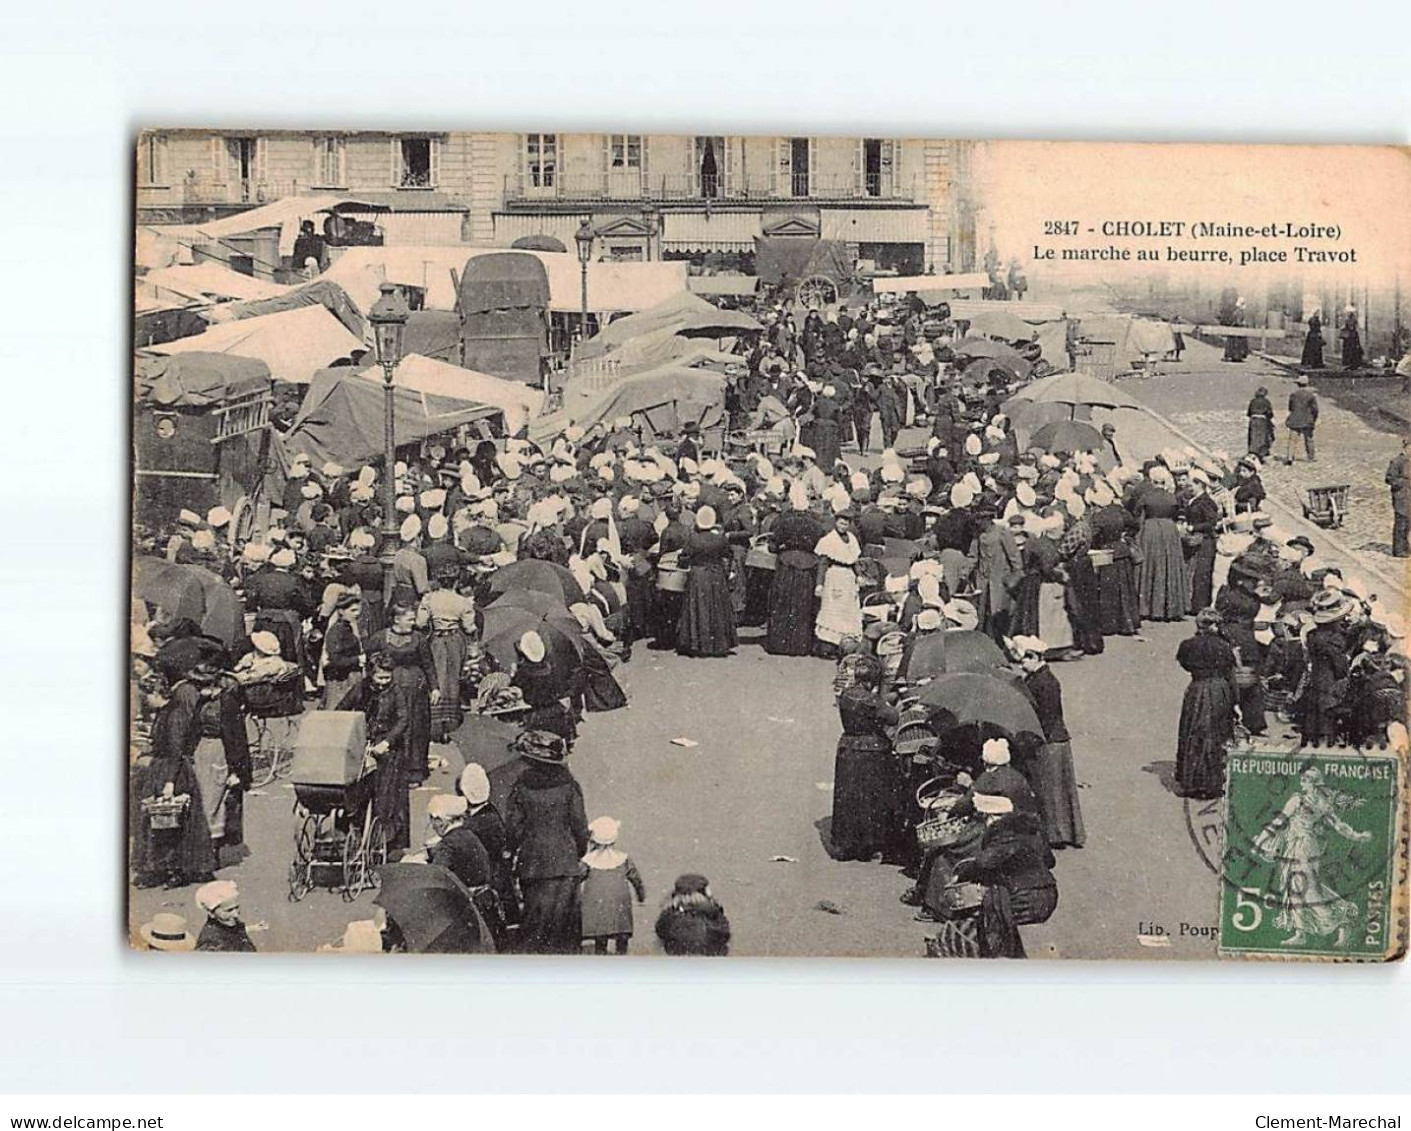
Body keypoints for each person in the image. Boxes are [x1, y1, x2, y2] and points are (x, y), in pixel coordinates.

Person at [1252, 767, 1372, 947]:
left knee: (1308, 890)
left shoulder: (1301, 801)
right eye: (1302, 779)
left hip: (1305, 848)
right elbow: (1339, 827)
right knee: (1297, 887)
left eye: (1305, 779)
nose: (1302, 782)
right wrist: (1357, 836)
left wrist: (1259, 841)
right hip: (1299, 846)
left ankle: (1343, 921)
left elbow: (1279, 822)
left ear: (1314, 783)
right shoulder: (1313, 803)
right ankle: (1302, 932)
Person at [132, 668, 218, 889]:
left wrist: (170, 782)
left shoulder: (175, 715)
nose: (146, 701)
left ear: (155, 694)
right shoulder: (166, 712)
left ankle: (176, 868)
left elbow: (176, 751)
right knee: (159, 821)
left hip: (173, 772)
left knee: (172, 823)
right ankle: (161, 867)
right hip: (162, 769)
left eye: (147, 696)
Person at [506, 729, 588, 954]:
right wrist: (578, 853)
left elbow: (514, 828)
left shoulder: (521, 786)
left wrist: (512, 851)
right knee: (566, 929)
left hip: (533, 862)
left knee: (535, 925)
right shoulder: (569, 785)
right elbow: (580, 825)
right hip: (565, 861)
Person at [951, 793, 1058, 959]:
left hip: (1025, 900)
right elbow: (1050, 861)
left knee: (990, 910)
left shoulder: (1003, 834)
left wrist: (961, 875)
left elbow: (984, 863)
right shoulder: (1032, 830)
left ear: (991, 817)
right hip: (1049, 893)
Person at [1014, 637, 1085, 848]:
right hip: (1055, 739)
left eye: (1025, 659)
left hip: (1050, 741)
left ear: (1035, 657)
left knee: (1051, 790)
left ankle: (1056, 834)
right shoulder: (1041, 678)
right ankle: (1064, 832)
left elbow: (1047, 716)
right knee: (1059, 789)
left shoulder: (1045, 683)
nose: (1021, 664)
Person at [830, 655, 902, 862]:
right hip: (872, 751)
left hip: (848, 747)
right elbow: (892, 717)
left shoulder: (846, 695)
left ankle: (846, 842)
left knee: (848, 797)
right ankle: (868, 844)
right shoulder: (872, 700)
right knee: (871, 799)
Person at [337, 652, 411, 852]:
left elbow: (403, 720)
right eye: (380, 677)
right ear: (371, 674)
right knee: (357, 788)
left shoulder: (396, 691)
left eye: (388, 677)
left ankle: (385, 841)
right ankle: (355, 830)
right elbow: (342, 708)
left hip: (388, 749)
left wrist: (387, 742)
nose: (385, 682)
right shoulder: (361, 687)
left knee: (386, 796)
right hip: (363, 744)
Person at [367, 604, 436, 785]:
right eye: (410, 619)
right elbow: (369, 661)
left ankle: (414, 771)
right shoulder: (380, 638)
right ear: (397, 619)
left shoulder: (419, 639)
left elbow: (428, 664)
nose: (413, 623)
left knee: (415, 727)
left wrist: (434, 687)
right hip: (388, 686)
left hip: (415, 689)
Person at [1174, 608, 1237, 800]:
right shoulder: (1225, 647)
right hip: (1219, 689)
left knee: (1194, 732)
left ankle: (1191, 781)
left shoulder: (1188, 645)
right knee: (1216, 733)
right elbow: (1231, 669)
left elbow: (1184, 664)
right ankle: (1212, 782)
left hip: (1197, 688)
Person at [416, 573, 477, 741]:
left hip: (437, 640)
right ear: (456, 581)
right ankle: (451, 723)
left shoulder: (429, 599)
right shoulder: (462, 601)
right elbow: (469, 627)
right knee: (454, 680)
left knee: (437, 678)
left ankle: (435, 723)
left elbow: (420, 623)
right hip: (456, 641)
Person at [765, 486, 824, 655]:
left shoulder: (782, 521)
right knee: (803, 606)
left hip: (786, 563)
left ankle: (780, 644)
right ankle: (800, 645)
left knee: (782, 603)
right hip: (807, 565)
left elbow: (773, 545)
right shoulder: (816, 524)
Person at [676, 506, 737, 657]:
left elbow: (684, 558)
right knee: (717, 608)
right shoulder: (719, 538)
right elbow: (728, 554)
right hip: (716, 575)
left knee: (698, 608)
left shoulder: (693, 538)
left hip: (698, 575)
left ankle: (698, 644)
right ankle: (718, 643)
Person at [580, 816, 646, 955]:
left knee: (600, 937)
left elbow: (576, 878)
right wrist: (641, 896)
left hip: (596, 906)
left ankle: (601, 957)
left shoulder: (588, 861)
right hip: (619, 905)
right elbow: (636, 880)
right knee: (621, 935)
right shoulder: (623, 859)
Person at [1299, 590, 1353, 747]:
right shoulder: (1335, 640)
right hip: (1330, 684)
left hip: (1316, 680)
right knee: (1327, 718)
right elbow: (1340, 668)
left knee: (1312, 716)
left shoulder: (1313, 635)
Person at [1135, 466, 1188, 622]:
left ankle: (1148, 607)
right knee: (1169, 565)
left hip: (1151, 530)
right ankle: (1170, 607)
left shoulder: (1146, 497)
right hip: (1169, 530)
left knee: (1150, 566)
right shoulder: (1172, 497)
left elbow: (1138, 514)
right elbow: (1178, 513)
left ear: (1152, 481)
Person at [813, 508, 864, 657]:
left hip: (848, 577)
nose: (843, 526)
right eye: (841, 523)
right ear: (836, 522)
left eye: (846, 524)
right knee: (832, 611)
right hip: (834, 576)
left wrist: (859, 575)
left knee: (847, 611)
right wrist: (819, 584)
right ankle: (827, 646)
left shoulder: (852, 539)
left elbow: (854, 560)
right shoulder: (829, 540)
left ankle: (845, 645)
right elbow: (823, 564)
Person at [654, 874, 731, 956]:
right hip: (710, 964)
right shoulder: (714, 915)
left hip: (675, 963)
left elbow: (660, 932)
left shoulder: (668, 917)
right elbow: (725, 935)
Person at [320, 589, 364, 709]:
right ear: (341, 611)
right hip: (341, 681)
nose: (357, 614)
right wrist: (358, 659)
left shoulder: (346, 627)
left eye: (358, 610)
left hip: (348, 677)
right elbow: (335, 660)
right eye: (353, 610)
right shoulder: (336, 631)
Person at [194, 879, 255, 952]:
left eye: (237, 907)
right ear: (211, 913)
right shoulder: (212, 943)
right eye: (228, 910)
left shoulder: (232, 926)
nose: (236, 915)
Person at [1386, 436, 1411, 557]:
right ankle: (1398, 550)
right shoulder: (1397, 462)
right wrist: (1404, 483)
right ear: (1406, 447)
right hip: (1401, 497)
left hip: (1409, 497)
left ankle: (1405, 547)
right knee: (1401, 524)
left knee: (1408, 524)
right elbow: (1389, 478)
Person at [1284, 375, 1318, 464]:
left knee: (1292, 439)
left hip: (1295, 418)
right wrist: (1314, 418)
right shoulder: (1311, 395)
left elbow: (1290, 407)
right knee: (1309, 439)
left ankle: (1290, 457)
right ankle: (1311, 457)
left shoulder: (1293, 395)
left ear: (1298, 384)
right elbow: (1315, 409)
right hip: (1307, 419)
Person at [1245, 387, 1275, 459]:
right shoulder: (1266, 402)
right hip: (1262, 419)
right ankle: (1261, 452)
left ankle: (1252, 451)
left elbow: (1249, 413)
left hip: (1253, 419)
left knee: (1253, 435)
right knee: (1262, 437)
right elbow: (1270, 413)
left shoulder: (1253, 401)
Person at [1340, 305, 1364, 370]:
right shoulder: (1350, 319)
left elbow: (1351, 327)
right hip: (1351, 336)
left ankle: (1350, 363)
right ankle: (1352, 363)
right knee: (1352, 349)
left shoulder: (1349, 319)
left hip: (1350, 337)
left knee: (1351, 350)